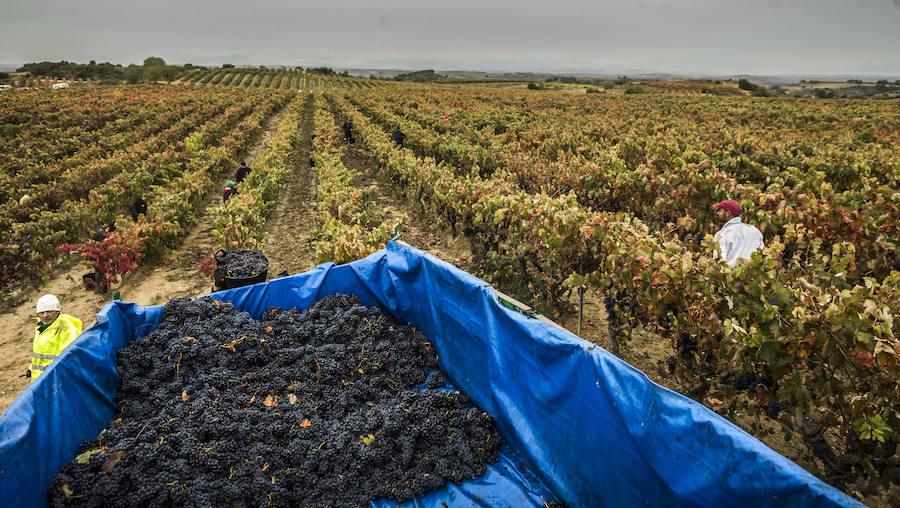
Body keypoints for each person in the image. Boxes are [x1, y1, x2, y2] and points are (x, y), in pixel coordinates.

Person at [26, 294, 82, 380]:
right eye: (42, 312)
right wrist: (31, 368)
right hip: (40, 378)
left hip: (55, 378)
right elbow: (40, 353)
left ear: (57, 311)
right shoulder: (41, 327)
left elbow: (65, 356)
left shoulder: (65, 328)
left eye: (49, 311)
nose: (45, 315)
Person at [712, 199, 764, 267]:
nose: (718, 213)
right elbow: (762, 253)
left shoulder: (722, 235)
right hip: (753, 275)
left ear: (728, 213)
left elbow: (720, 261)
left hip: (730, 275)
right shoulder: (754, 230)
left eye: (720, 211)